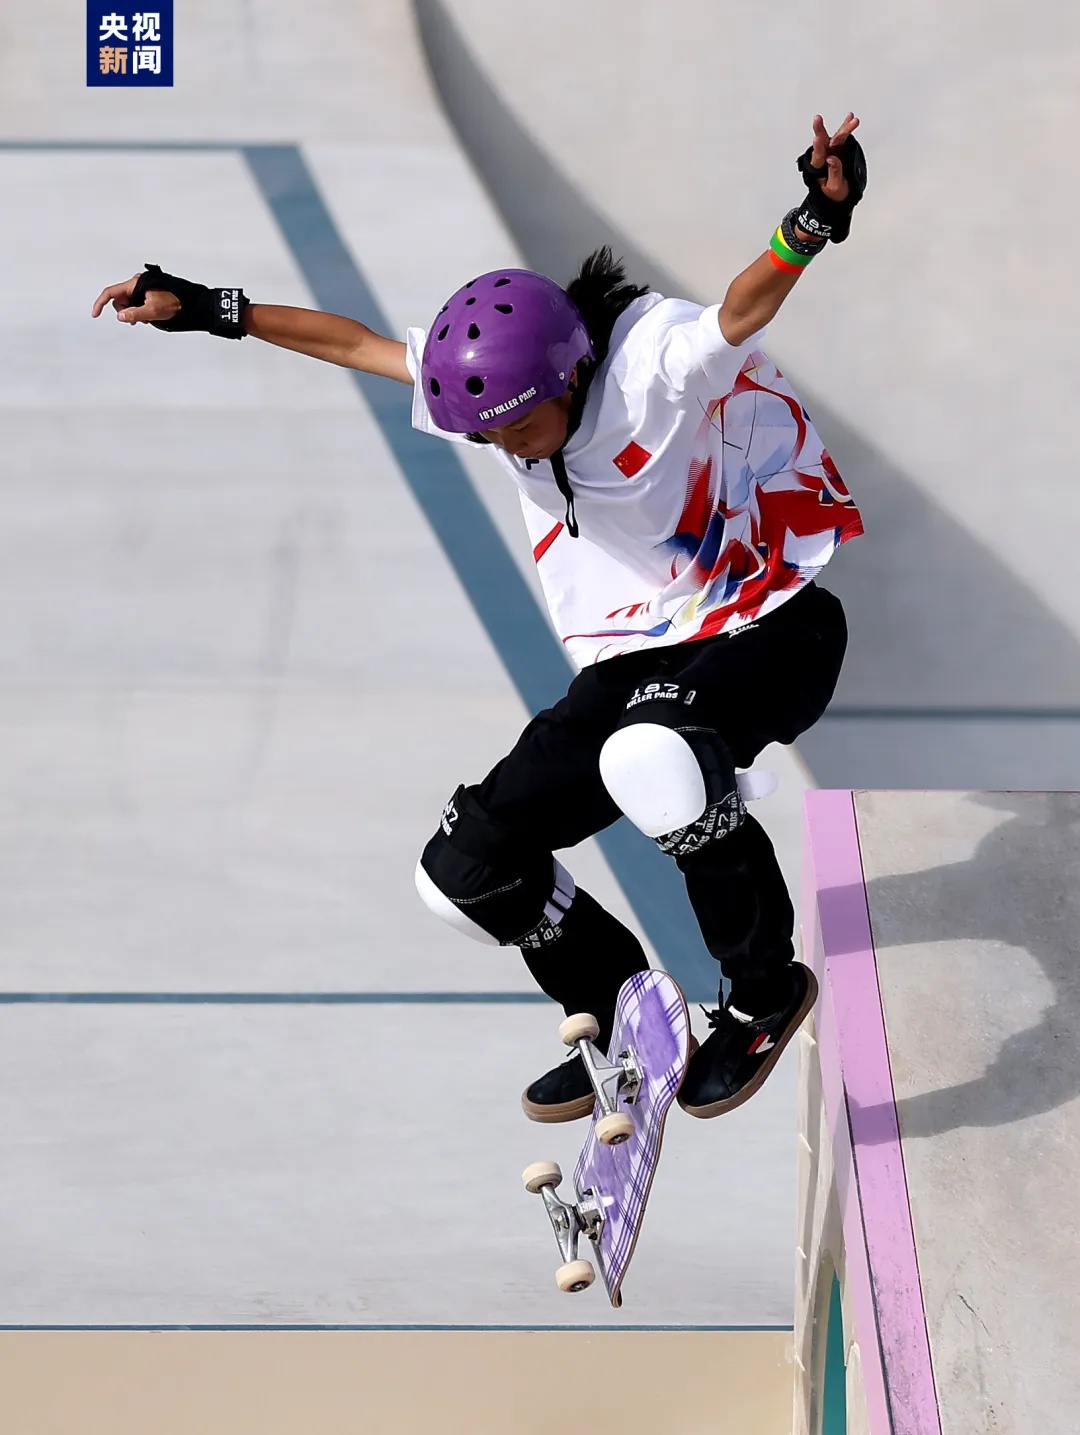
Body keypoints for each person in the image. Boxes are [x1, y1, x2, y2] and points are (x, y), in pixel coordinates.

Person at [92, 112, 866, 1123]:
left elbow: (744, 305)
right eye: (485, 433)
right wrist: (209, 306)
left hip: (772, 628)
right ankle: (622, 1006)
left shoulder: (654, 363)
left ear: (570, 373)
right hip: (637, 664)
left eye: (517, 426)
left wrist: (817, 213)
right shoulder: (500, 382)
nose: (504, 446)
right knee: (461, 872)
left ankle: (762, 995)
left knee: (651, 759)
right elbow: (358, 341)